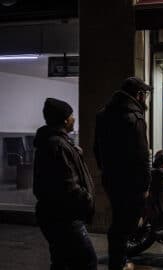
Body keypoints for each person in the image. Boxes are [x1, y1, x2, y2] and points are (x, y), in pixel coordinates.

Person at [94, 77, 152, 270]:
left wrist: (108, 171)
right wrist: (145, 186)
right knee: (124, 225)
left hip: (111, 179)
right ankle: (118, 263)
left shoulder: (103, 114)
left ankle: (118, 261)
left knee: (119, 221)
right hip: (132, 182)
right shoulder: (135, 117)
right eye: (146, 96)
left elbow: (96, 149)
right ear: (139, 95)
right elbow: (142, 155)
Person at [33, 98, 97, 270]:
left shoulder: (58, 142)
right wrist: (87, 199)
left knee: (61, 262)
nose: (74, 118)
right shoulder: (57, 145)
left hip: (56, 215)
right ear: (64, 120)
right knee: (87, 262)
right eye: (71, 115)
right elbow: (67, 185)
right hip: (65, 217)